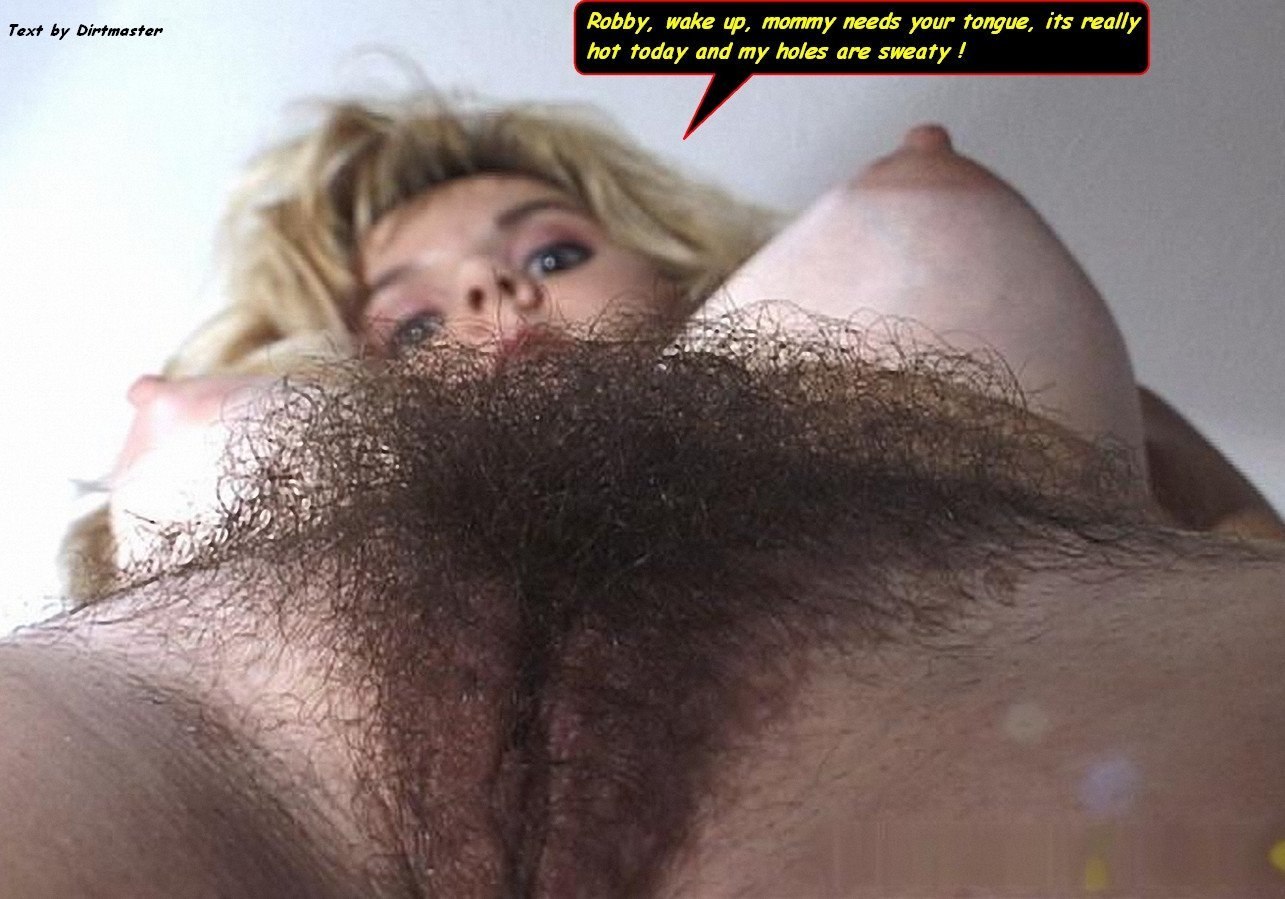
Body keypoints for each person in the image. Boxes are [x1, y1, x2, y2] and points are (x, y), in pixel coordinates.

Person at [6, 93, 1282, 895]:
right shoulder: (291, 478)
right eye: (411, 324)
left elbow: (1239, 544)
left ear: (674, 265)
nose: (489, 296)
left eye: (552, 249)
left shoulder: (967, 356)